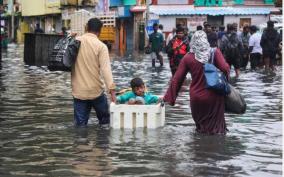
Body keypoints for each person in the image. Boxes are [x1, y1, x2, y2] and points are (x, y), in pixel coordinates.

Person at [163, 30, 230, 134]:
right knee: (217, 130)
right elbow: (225, 68)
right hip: (214, 96)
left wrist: (169, 98)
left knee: (200, 128)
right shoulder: (214, 52)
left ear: (193, 41)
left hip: (196, 98)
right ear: (205, 40)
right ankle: (214, 148)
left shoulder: (188, 57)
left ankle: (199, 148)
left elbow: (177, 78)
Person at [72, 18, 116, 127]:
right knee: (105, 123)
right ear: (99, 31)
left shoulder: (75, 41)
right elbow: (106, 71)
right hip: (96, 91)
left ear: (87, 28)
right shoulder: (101, 46)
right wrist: (112, 92)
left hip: (79, 92)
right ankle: (102, 143)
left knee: (80, 127)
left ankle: (81, 144)